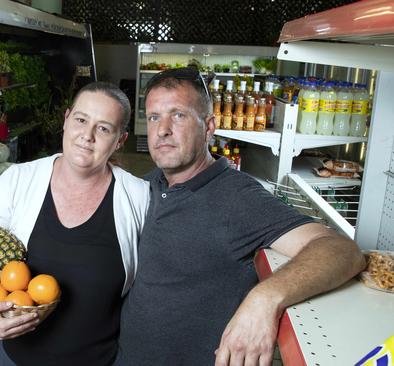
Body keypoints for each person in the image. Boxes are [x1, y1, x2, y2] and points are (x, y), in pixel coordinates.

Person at [115, 68, 366, 366]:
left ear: (209, 127)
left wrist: (265, 298)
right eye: (155, 116)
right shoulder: (149, 184)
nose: (163, 129)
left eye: (178, 115)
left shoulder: (236, 197)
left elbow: (342, 251)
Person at [0, 81, 150, 365]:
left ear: (120, 140)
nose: (87, 135)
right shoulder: (18, 180)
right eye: (81, 120)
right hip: (15, 358)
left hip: (102, 360)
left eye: (103, 128)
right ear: (66, 120)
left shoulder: (138, 196)